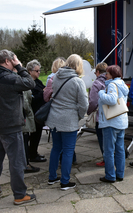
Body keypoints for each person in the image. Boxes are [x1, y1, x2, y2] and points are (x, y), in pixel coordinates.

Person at [0, 49, 36, 205]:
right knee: (17, 162)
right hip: (12, 126)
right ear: (7, 61)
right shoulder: (10, 79)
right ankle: (20, 195)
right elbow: (30, 83)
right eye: (14, 60)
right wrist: (19, 66)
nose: (15, 62)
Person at [46, 54, 88, 191]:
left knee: (56, 148)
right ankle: (65, 181)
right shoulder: (77, 81)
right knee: (68, 151)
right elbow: (84, 104)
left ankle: (52, 177)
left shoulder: (55, 76)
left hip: (54, 118)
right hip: (69, 120)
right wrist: (80, 116)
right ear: (78, 65)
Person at [98, 65, 129, 183]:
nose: (105, 75)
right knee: (120, 149)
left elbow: (111, 100)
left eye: (107, 73)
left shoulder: (112, 84)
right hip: (121, 121)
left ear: (112, 75)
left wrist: (101, 93)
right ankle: (120, 174)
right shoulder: (122, 84)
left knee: (109, 150)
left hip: (111, 122)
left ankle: (110, 175)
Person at [87, 62, 108, 167]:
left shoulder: (96, 83)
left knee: (101, 138)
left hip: (101, 117)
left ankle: (106, 159)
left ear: (98, 72)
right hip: (112, 115)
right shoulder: (111, 81)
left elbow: (93, 102)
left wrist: (88, 112)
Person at [26, 60, 47, 163]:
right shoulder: (28, 82)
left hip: (39, 112)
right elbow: (31, 99)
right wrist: (43, 93)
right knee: (34, 134)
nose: (39, 72)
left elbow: (44, 89)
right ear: (30, 71)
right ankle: (32, 155)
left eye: (39, 70)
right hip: (33, 112)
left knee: (37, 134)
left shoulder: (37, 81)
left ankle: (33, 152)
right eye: (37, 71)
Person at [22, 89, 40, 173]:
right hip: (22, 117)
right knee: (24, 140)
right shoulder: (21, 83)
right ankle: (25, 164)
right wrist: (29, 112)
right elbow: (25, 103)